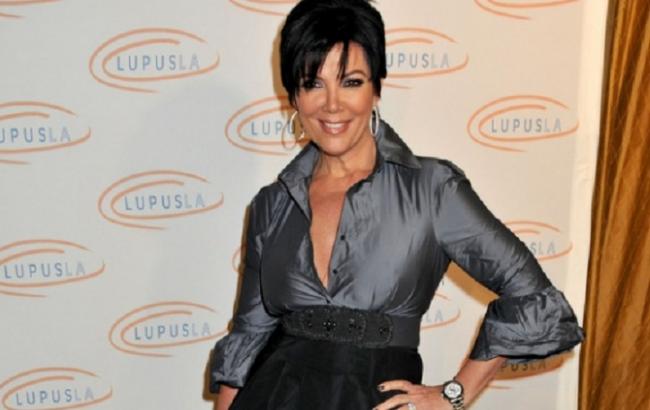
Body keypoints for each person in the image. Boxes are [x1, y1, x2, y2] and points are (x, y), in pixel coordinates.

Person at [209, 1, 584, 409]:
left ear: (376, 88)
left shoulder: (431, 189)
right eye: (313, 83)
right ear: (294, 96)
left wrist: (454, 394)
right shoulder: (272, 204)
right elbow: (250, 335)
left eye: (351, 81)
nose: (332, 104)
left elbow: (533, 297)